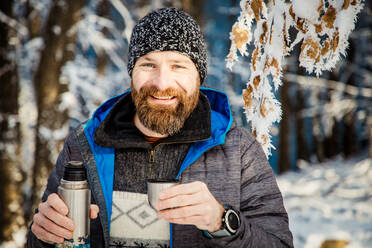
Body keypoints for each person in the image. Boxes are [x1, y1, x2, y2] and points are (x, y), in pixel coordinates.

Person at [27, 7, 293, 248]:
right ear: (131, 73)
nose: (161, 81)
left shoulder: (237, 150)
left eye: (178, 66)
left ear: (198, 76)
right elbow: (41, 242)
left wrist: (222, 221)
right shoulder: (84, 145)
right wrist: (45, 236)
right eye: (148, 65)